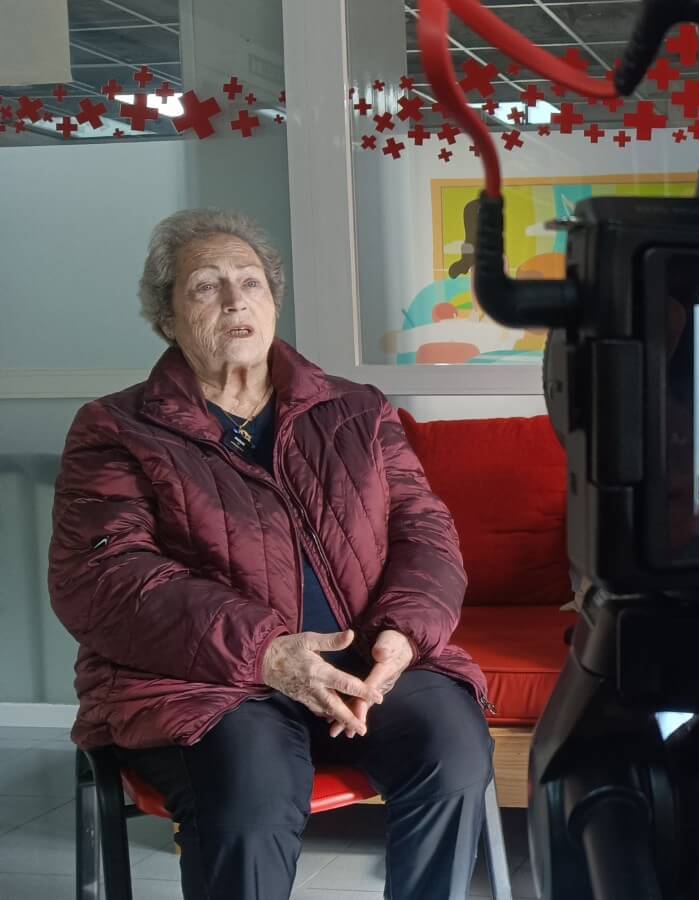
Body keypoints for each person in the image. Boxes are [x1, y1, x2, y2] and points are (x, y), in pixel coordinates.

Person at [49, 209, 492, 900]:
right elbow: (104, 577)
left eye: (250, 282)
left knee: (453, 748)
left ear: (274, 302)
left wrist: (403, 634)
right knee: (252, 794)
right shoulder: (116, 428)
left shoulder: (357, 409)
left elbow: (425, 531)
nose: (235, 301)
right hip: (208, 682)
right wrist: (267, 653)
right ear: (167, 317)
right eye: (206, 286)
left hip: (361, 662)